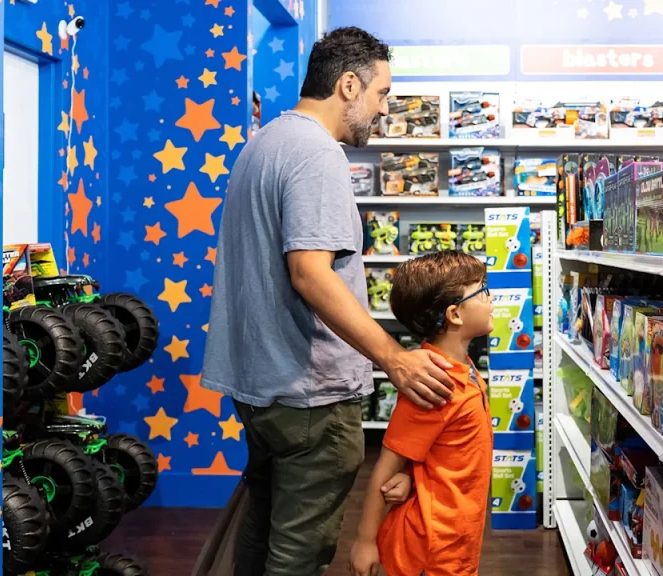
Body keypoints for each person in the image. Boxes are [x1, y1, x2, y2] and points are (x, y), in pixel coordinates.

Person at [201, 27, 458, 576]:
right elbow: (310, 274)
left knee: (262, 531)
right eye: (382, 93)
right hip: (309, 395)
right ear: (348, 86)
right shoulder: (317, 155)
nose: (385, 109)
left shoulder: (264, 142)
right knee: (299, 555)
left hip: (261, 386)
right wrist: (394, 358)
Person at [349, 251, 494, 576]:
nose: (491, 298)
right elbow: (385, 469)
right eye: (482, 290)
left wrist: (412, 478)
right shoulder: (433, 384)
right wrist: (365, 541)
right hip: (430, 548)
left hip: (458, 537)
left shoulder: (464, 369)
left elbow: (439, 449)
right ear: (455, 314)